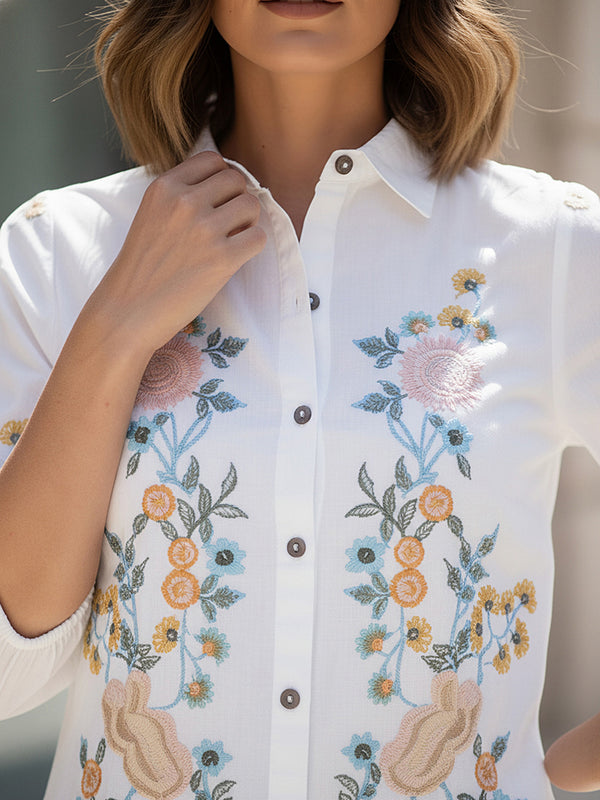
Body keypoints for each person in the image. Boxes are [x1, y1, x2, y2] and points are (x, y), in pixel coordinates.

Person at [0, 0, 598, 798]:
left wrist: (548, 780)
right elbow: (10, 672)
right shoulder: (57, 250)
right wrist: (115, 326)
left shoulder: (554, 249)